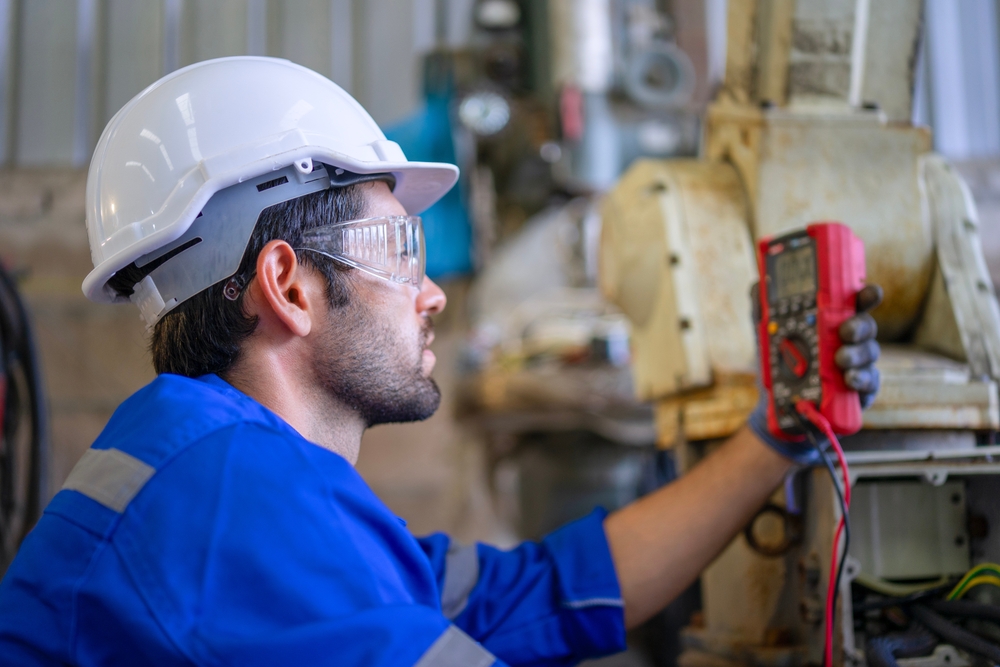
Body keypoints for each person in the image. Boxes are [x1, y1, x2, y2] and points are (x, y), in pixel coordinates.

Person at [0, 57, 880, 666]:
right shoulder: (226, 496)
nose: (431, 294)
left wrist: (774, 436)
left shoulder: (219, 469)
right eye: (399, 249)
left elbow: (541, 594)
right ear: (288, 285)